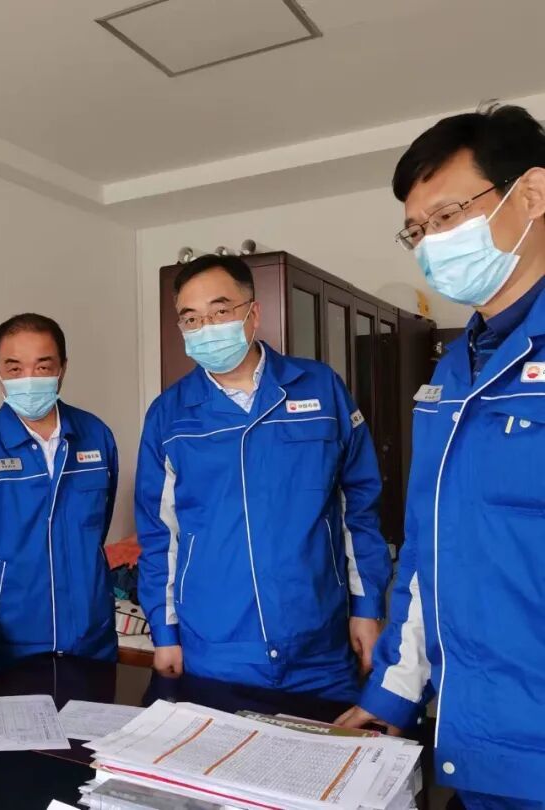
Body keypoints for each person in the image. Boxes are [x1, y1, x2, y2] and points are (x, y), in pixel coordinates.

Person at [337, 104, 545, 809]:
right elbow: (428, 556)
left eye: (448, 215)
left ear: (531, 196)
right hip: (474, 746)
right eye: (417, 231)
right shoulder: (451, 374)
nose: (431, 243)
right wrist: (391, 697)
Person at [135, 254, 391, 703]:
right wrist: (164, 631)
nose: (206, 327)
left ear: (253, 313)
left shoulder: (320, 387)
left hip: (319, 642)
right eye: (191, 319)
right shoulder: (169, 415)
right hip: (216, 645)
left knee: (329, 746)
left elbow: (359, 507)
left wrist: (367, 606)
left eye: (220, 311)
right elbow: (160, 535)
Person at [0, 314, 119, 700]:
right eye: (14, 368)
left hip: (93, 649)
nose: (28, 379)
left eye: (42, 366)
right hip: (11, 658)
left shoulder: (96, 437)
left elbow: (97, 533)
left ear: (62, 368)